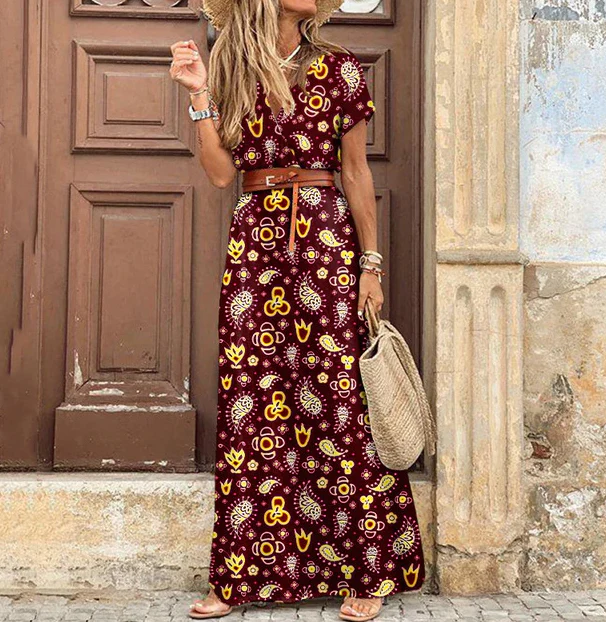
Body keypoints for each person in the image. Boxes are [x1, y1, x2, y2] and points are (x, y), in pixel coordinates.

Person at [169, 1, 425, 619]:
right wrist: (199, 94)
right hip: (255, 244)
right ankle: (238, 577)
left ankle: (368, 570)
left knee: (338, 399)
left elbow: (356, 172)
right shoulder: (230, 69)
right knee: (251, 400)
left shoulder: (339, 68)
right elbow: (221, 173)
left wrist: (371, 264)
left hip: (325, 240)